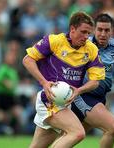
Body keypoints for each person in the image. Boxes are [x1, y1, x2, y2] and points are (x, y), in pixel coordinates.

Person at [22, 11, 105, 148]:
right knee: (78, 133)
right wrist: (44, 82)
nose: (86, 37)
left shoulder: (91, 50)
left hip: (65, 102)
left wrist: (79, 90)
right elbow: (27, 60)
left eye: (88, 33)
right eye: (83, 32)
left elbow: (95, 81)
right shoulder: (54, 41)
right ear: (72, 29)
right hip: (49, 99)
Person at [71, 13, 114, 148]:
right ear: (94, 30)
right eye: (100, 29)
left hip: (100, 98)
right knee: (113, 128)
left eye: (107, 30)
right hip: (82, 95)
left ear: (112, 31)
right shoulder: (84, 44)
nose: (103, 33)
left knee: (73, 136)